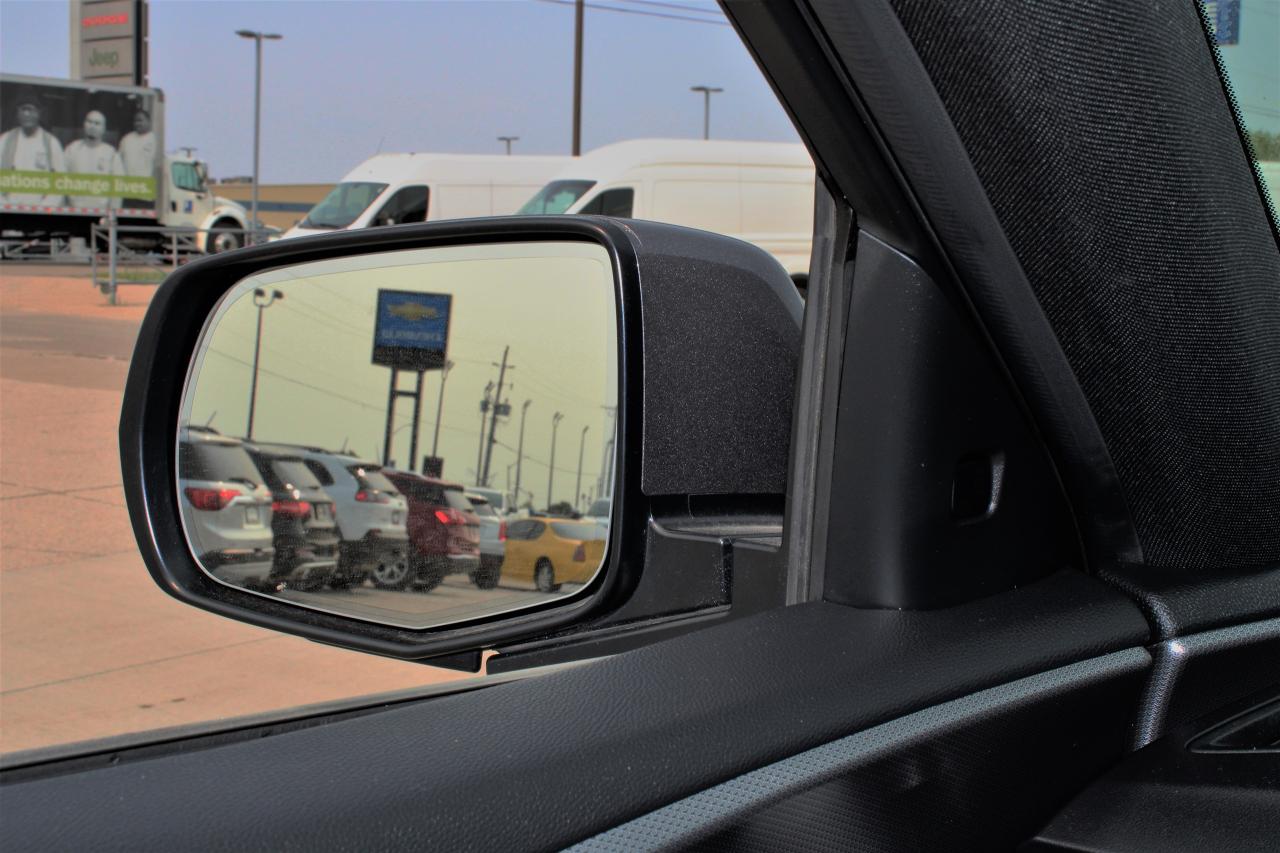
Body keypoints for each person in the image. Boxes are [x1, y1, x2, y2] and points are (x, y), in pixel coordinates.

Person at [0, 91, 67, 206]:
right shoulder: (5, 140)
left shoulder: (51, 143)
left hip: (40, 210)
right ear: (17, 113)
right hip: (9, 208)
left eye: (31, 109)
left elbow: (60, 181)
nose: (27, 114)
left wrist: (43, 208)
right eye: (23, 109)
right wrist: (4, 204)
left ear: (39, 113)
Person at [63, 110, 125, 209]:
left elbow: (118, 188)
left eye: (97, 123)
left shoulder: (112, 154)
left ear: (104, 129)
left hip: (102, 211)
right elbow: (61, 179)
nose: (92, 126)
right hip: (75, 210)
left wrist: (113, 211)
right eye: (89, 122)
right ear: (84, 125)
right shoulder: (72, 149)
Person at [117, 108, 157, 209]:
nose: (137, 123)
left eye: (140, 120)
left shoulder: (155, 140)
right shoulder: (126, 139)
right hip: (128, 191)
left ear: (149, 121)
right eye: (135, 121)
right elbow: (118, 162)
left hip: (145, 193)